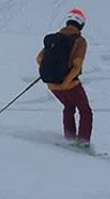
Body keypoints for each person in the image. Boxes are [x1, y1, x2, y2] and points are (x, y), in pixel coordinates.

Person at [37, 8, 92, 146]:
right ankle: (83, 142)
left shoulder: (54, 38)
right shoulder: (80, 41)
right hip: (70, 84)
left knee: (68, 107)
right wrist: (65, 82)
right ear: (81, 24)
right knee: (85, 111)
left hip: (51, 84)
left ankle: (69, 138)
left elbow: (39, 58)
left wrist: (52, 69)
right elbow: (77, 66)